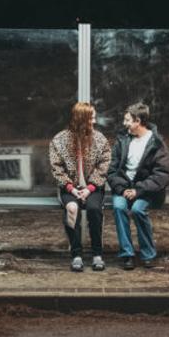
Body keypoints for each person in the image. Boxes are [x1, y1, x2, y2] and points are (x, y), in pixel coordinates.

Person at [106, 102, 169, 270]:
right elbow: (112, 170)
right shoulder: (122, 139)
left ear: (138, 121)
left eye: (127, 120)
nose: (124, 123)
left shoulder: (156, 142)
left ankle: (148, 254)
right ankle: (127, 254)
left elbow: (162, 174)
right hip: (123, 188)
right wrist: (122, 189)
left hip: (147, 191)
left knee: (137, 210)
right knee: (119, 207)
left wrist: (138, 190)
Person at [49, 101, 111, 272]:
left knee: (93, 209)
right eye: (92, 117)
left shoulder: (99, 139)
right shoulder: (60, 140)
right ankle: (76, 255)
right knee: (72, 209)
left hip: (93, 187)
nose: (95, 120)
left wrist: (90, 188)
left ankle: (97, 254)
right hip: (69, 187)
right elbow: (57, 168)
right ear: (81, 118)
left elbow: (104, 165)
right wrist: (71, 188)